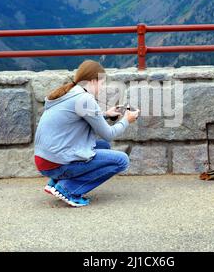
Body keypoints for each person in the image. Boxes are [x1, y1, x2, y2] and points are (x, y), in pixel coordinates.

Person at [34, 60, 140, 207]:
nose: (102, 87)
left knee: (103, 146)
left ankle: (56, 182)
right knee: (122, 161)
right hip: (56, 163)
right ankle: (68, 189)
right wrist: (127, 120)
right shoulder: (85, 99)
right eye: (102, 83)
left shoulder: (71, 92)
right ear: (94, 81)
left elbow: (77, 118)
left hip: (45, 160)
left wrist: (105, 114)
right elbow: (109, 133)